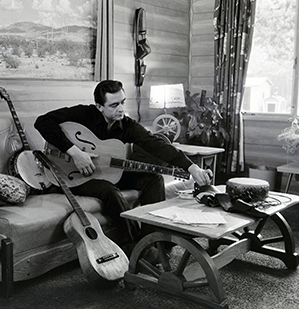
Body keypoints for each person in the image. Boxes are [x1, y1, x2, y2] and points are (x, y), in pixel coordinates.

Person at [34, 80, 212, 254]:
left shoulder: (126, 125)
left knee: (153, 180)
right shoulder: (84, 114)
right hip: (74, 174)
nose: (121, 109)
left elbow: (156, 145)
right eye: (114, 105)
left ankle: (150, 241)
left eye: (122, 102)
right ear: (99, 106)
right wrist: (75, 152)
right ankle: (130, 245)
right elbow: (42, 122)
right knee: (109, 190)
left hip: (107, 172)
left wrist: (191, 168)